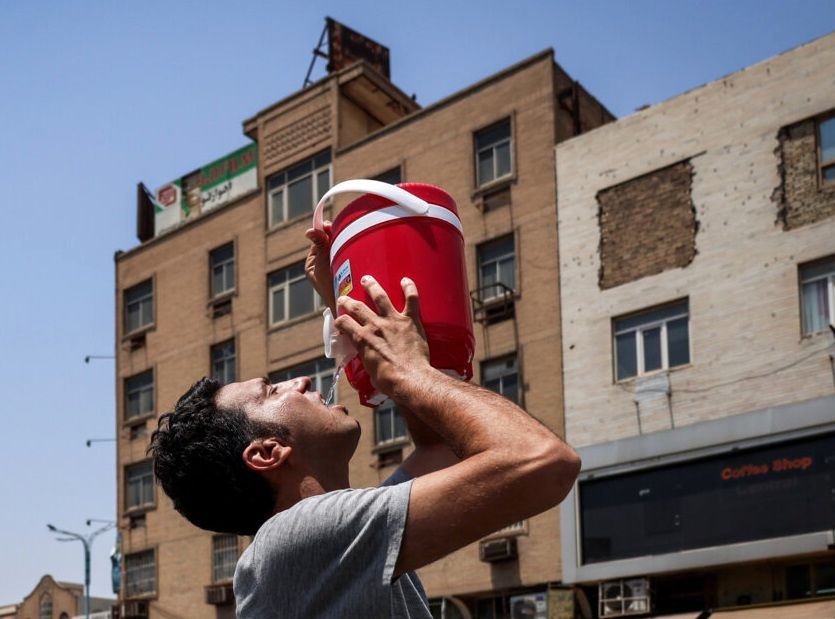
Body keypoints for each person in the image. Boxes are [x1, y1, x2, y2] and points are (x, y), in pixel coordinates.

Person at [148, 224, 581, 618]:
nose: (298, 381)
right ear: (266, 452)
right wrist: (413, 374)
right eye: (272, 391)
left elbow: (440, 450)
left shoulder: (330, 539)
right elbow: (544, 461)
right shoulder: (298, 535)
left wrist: (353, 317)